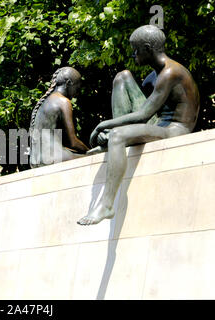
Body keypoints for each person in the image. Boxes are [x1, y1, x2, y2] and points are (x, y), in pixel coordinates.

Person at [77, 25, 200, 225]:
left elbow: (142, 115)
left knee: (118, 136)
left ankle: (106, 204)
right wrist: (110, 128)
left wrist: (103, 126)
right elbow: (135, 111)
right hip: (159, 124)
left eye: (136, 49)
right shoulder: (154, 75)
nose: (134, 54)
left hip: (175, 130)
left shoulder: (171, 72)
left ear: (148, 48)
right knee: (122, 77)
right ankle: (113, 140)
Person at [29, 66, 89, 168]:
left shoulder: (43, 104)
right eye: (77, 88)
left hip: (35, 161)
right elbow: (73, 142)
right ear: (68, 83)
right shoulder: (63, 101)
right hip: (54, 157)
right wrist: (89, 150)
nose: (77, 93)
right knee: (94, 157)